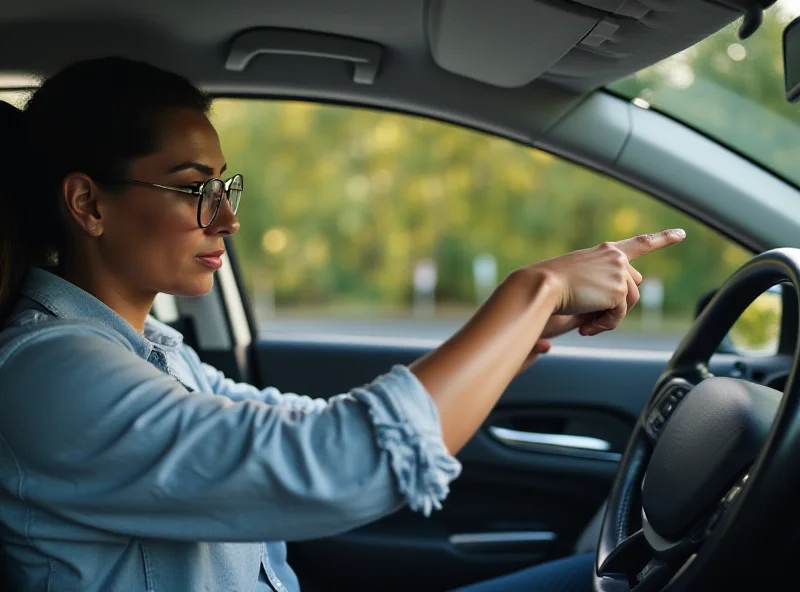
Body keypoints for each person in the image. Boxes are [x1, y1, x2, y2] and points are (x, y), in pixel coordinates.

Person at [0, 57, 685, 592]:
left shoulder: (153, 350)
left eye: (225, 187)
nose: (227, 218)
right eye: (192, 188)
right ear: (88, 203)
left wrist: (529, 326)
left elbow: (308, 422)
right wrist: (533, 290)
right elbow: (342, 462)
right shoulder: (50, 375)